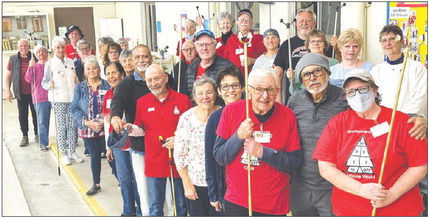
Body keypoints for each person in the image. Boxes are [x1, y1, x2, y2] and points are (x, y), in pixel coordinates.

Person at [312, 69, 427, 216]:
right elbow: (326, 168)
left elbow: (419, 166)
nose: (358, 95)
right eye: (351, 92)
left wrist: (391, 195)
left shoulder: (402, 122)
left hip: (399, 210)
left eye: (363, 89)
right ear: (346, 97)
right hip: (349, 210)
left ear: (375, 91)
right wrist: (360, 189)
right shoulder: (337, 123)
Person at [213, 69, 303, 215]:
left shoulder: (287, 116)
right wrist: (238, 137)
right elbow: (220, 157)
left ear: (278, 90)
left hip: (274, 204)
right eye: (259, 89)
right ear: (248, 91)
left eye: (270, 89)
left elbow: (294, 162)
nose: (265, 96)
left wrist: (263, 153)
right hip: (238, 202)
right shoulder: (231, 111)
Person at [287, 53, 348, 216]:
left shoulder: (345, 98)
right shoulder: (295, 100)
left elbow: (373, 114)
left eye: (317, 71)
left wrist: (418, 119)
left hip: (333, 186)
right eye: (306, 74)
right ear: (301, 79)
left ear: (327, 72)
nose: (312, 78)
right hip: (300, 185)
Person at [126, 64, 191, 216]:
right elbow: (141, 129)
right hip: (154, 161)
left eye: (157, 78)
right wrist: (131, 128)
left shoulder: (182, 100)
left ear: (166, 78)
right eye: (149, 80)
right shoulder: (142, 102)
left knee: (181, 205)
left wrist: (179, 139)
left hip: (178, 161)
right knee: (155, 207)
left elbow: (191, 130)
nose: (153, 83)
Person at [110, 44, 152, 216]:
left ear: (151, 58)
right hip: (139, 144)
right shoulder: (125, 84)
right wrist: (115, 117)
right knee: (143, 187)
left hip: (161, 143)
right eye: (137, 57)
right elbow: (117, 101)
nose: (141, 60)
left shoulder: (163, 78)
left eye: (145, 57)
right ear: (133, 61)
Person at [174, 77, 220, 216]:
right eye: (200, 94)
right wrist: (187, 184)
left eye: (209, 92)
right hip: (196, 183)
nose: (205, 97)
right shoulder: (186, 118)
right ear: (194, 96)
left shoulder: (224, 114)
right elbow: (180, 155)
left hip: (221, 183)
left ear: (216, 94)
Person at [102, 61, 142, 216]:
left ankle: (141, 210)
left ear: (121, 73)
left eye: (114, 72)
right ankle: (128, 211)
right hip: (118, 145)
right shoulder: (107, 95)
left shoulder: (130, 90)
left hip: (134, 142)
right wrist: (109, 146)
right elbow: (107, 122)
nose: (111, 76)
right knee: (124, 180)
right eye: (108, 74)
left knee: (137, 179)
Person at [71, 55, 113, 195]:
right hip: (88, 129)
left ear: (99, 69)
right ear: (85, 71)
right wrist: (87, 122)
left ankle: (122, 181)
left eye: (94, 68)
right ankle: (96, 184)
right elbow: (74, 108)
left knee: (111, 156)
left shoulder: (107, 85)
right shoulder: (80, 87)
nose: (92, 70)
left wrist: (102, 121)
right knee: (94, 157)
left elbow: (113, 105)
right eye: (88, 68)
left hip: (105, 127)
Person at [370, 25, 427, 128]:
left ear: (401, 41)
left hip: (410, 122)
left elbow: (420, 98)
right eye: (384, 40)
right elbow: (373, 98)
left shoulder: (417, 68)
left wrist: (402, 121)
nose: (387, 44)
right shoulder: (376, 70)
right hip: (383, 124)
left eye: (392, 39)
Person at [205, 66, 244, 214]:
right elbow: (210, 157)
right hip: (226, 185)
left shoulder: (252, 110)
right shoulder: (215, 119)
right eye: (225, 87)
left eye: (235, 85)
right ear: (219, 92)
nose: (231, 90)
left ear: (242, 87)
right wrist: (213, 193)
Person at [42, 36, 81, 165]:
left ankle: (72, 151)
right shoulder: (50, 63)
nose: (60, 49)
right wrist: (49, 85)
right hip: (58, 99)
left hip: (71, 98)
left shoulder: (70, 62)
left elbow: (75, 78)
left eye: (62, 47)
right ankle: (64, 153)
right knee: (61, 126)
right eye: (58, 47)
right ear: (53, 49)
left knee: (72, 126)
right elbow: (44, 82)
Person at [273, 9, 316, 104]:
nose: (304, 23)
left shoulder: (321, 43)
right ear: (296, 24)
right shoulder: (287, 44)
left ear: (314, 23)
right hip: (293, 96)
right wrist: (278, 98)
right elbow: (278, 73)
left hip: (317, 94)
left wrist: (336, 49)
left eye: (308, 20)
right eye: (301, 21)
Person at [185, 30, 235, 102]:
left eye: (208, 44)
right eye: (201, 45)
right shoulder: (191, 67)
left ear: (215, 45)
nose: (204, 48)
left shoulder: (227, 67)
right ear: (196, 47)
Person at [5, 38, 38, 147]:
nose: (23, 48)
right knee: (22, 115)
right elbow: (8, 76)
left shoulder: (35, 57)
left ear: (29, 46)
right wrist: (8, 90)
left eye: (25, 45)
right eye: (21, 46)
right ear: (17, 47)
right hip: (20, 93)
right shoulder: (13, 59)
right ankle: (25, 136)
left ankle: (38, 134)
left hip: (35, 93)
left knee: (36, 114)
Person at [288, 29, 340, 94]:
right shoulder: (302, 63)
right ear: (308, 45)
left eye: (319, 41)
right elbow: (293, 91)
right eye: (313, 41)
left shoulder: (334, 63)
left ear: (324, 45)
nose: (316, 43)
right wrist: (292, 80)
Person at [223, 9, 266, 75]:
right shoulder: (231, 40)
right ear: (237, 22)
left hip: (255, 79)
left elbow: (268, 59)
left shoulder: (260, 39)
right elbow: (225, 61)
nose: (244, 21)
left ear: (252, 22)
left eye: (247, 19)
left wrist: (254, 61)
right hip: (236, 79)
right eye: (241, 19)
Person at [24, 44, 51, 151]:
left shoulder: (51, 65)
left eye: (43, 51)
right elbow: (28, 79)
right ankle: (43, 143)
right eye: (39, 52)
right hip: (40, 98)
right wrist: (30, 67)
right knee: (43, 122)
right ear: (35, 55)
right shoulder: (34, 66)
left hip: (54, 96)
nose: (41, 54)